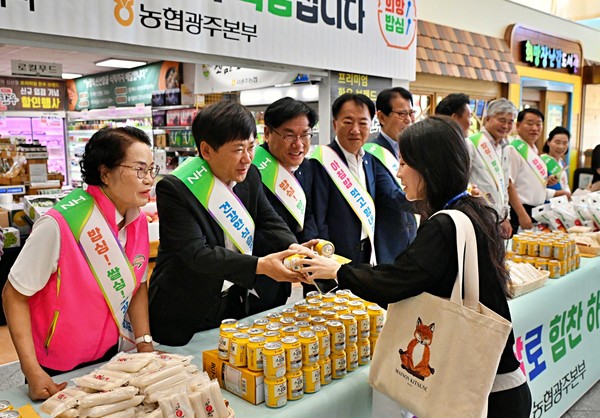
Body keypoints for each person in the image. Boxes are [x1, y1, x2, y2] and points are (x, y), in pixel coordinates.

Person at [298, 116, 532, 418]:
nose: (399, 172)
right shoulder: (472, 209)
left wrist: (336, 271)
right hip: (503, 384)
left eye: (404, 163)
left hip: (487, 398)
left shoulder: (444, 224)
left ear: (428, 167)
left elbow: (396, 283)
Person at [2, 127, 157, 400]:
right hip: (56, 367)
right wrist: (32, 370)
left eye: (151, 170)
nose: (149, 180)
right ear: (105, 173)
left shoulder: (138, 222)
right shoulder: (59, 224)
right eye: (139, 170)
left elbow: (138, 287)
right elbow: (13, 295)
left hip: (110, 355)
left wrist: (144, 343)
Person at [148, 100, 303, 346]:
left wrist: (295, 249)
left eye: (251, 147)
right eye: (238, 149)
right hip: (187, 307)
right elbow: (196, 253)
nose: (247, 158)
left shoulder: (250, 175)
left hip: (236, 300)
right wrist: (261, 266)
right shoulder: (176, 189)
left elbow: (269, 220)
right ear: (207, 150)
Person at [310, 93, 412, 270]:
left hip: (367, 255)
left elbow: (389, 197)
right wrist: (325, 259)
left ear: (371, 125)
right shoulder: (321, 162)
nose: (355, 130)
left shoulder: (370, 160)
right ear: (335, 124)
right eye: (348, 122)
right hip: (335, 258)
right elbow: (318, 219)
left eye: (363, 123)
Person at [249, 97, 318, 313]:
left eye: (304, 135)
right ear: (267, 133)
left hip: (289, 276)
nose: (298, 144)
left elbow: (308, 215)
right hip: (255, 277)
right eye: (289, 135)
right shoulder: (249, 170)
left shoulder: (307, 168)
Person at [367, 87, 417, 263]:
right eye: (402, 114)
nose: (409, 120)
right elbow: (392, 196)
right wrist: (430, 201)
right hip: (387, 245)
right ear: (381, 117)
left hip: (412, 240)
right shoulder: (371, 153)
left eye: (411, 113)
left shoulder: (411, 149)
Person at [466, 98, 517, 238]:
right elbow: (463, 183)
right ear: (487, 119)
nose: (506, 126)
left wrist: (505, 217)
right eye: (502, 120)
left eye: (510, 122)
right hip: (477, 216)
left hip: (498, 219)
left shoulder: (505, 148)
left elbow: (504, 186)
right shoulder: (471, 144)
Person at [507, 108, 560, 233]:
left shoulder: (534, 150)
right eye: (530, 124)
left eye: (538, 124)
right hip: (520, 211)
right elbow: (509, 184)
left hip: (536, 211)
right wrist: (522, 214)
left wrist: (546, 182)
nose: (535, 128)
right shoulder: (513, 149)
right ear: (518, 125)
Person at [541, 126, 572, 199]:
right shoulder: (541, 161)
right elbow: (536, 190)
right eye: (557, 142)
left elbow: (565, 184)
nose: (561, 147)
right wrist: (560, 193)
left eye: (565, 143)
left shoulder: (562, 163)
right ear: (548, 142)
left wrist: (568, 193)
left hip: (560, 203)